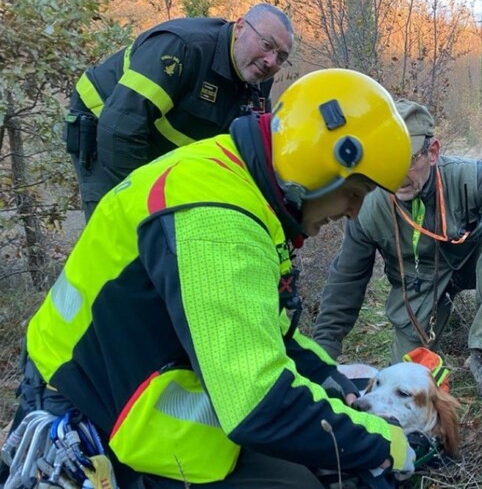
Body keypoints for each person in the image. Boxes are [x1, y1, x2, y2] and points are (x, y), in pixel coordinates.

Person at [2, 69, 417, 489]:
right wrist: (385, 444)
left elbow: (263, 333)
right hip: (91, 415)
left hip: (127, 378)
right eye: (356, 192)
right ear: (320, 162)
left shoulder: (233, 178)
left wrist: (333, 383)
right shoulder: (217, 221)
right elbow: (258, 404)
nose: (352, 212)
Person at [313, 98, 482, 400]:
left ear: (433, 152)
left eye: (408, 160)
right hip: (417, 284)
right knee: (405, 378)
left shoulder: (469, 176)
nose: (397, 175)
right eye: (389, 161)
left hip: (472, 263)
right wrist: (322, 354)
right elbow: (346, 279)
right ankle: (434, 326)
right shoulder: (368, 207)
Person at [64, 2, 293, 221]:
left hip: (155, 142)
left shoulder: (258, 77)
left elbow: (252, 152)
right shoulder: (183, 47)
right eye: (266, 44)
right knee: (120, 230)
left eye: (281, 57)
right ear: (240, 27)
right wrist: (142, 205)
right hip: (105, 124)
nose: (270, 61)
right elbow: (120, 128)